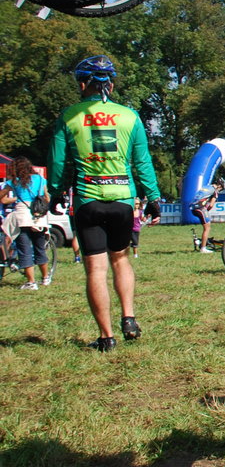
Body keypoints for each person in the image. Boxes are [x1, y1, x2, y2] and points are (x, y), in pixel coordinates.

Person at [47, 55, 161, 352]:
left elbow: (57, 161)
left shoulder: (69, 115)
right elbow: (142, 161)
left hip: (88, 199)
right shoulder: (129, 116)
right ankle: (129, 318)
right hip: (122, 199)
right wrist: (153, 197)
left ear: (82, 84)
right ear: (110, 84)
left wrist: (56, 192)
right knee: (120, 258)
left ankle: (106, 337)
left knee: (96, 269)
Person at [0, 155, 52, 290]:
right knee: (40, 248)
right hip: (38, 216)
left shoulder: (14, 182)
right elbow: (47, 198)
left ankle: (31, 282)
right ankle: (45, 278)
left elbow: (2, 198)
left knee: (25, 250)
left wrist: (16, 198)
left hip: (22, 216)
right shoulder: (41, 179)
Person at [191, 182, 220, 253]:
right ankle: (203, 248)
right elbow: (211, 205)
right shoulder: (215, 191)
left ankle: (200, 242)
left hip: (193, 207)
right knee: (207, 228)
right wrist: (206, 211)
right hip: (200, 208)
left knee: (206, 227)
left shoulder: (206, 187)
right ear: (219, 186)